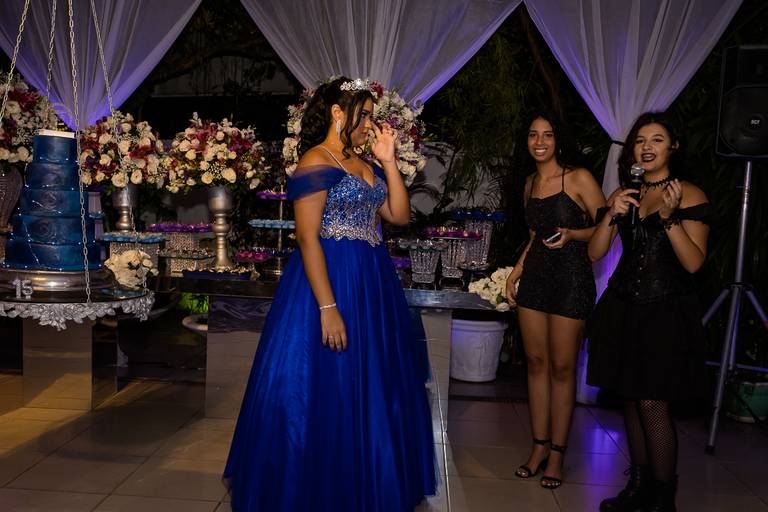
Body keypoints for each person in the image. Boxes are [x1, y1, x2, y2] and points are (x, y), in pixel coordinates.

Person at [223, 77, 437, 511]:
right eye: (364, 115)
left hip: (372, 285)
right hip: (328, 283)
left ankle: (370, 478)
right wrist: (328, 307)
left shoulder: (365, 163)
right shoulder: (315, 161)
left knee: (373, 380)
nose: (370, 124)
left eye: (372, 116)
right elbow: (307, 239)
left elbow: (398, 215)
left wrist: (389, 161)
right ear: (339, 112)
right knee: (324, 384)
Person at [587, 112, 711, 512]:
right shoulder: (627, 192)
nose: (647, 147)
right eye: (640, 140)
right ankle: (637, 487)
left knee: (653, 403)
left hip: (665, 311)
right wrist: (612, 212)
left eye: (657, 139)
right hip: (623, 306)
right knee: (629, 398)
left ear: (673, 146)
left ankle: (663, 496)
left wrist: (670, 219)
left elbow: (693, 263)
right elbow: (595, 253)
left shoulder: (689, 194)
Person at [505, 112, 605, 489]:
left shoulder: (578, 178)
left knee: (563, 368)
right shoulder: (530, 183)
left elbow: (607, 226)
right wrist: (516, 271)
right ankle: (538, 447)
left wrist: (573, 235)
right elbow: (534, 236)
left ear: (558, 139)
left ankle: (558, 454)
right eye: (533, 135)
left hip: (572, 280)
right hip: (535, 278)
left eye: (547, 134)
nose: (540, 141)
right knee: (535, 364)